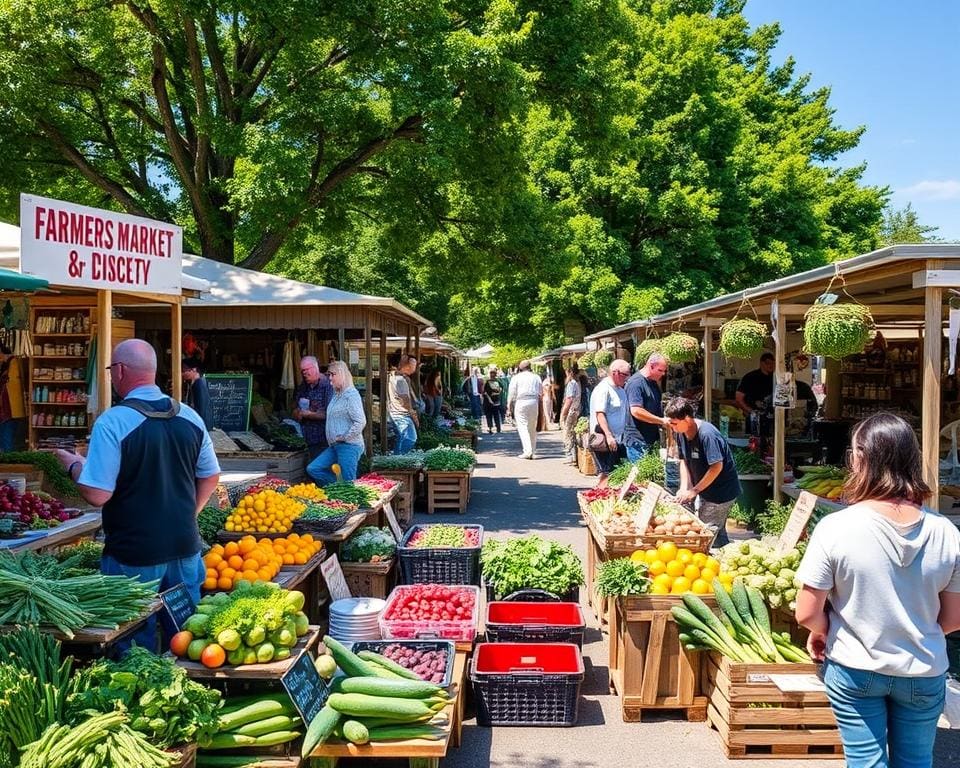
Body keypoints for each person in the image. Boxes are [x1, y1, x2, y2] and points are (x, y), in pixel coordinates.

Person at [795, 414, 960, 768]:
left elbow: (807, 612)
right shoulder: (946, 532)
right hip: (923, 670)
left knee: (866, 763)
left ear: (860, 458)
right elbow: (952, 619)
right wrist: (913, 630)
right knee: (916, 762)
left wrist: (823, 631)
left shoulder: (836, 527)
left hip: (856, 666)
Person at [54, 339, 220, 651]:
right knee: (188, 641)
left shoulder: (114, 421)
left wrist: (74, 465)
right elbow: (210, 475)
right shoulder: (189, 416)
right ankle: (187, 695)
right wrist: (189, 514)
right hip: (185, 547)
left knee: (134, 649)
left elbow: (97, 494)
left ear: (119, 371)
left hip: (133, 554)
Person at [664, 396, 741, 547]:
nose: (672, 428)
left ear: (686, 419)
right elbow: (683, 460)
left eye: (674, 424)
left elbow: (716, 466)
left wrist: (694, 490)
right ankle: (723, 554)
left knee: (705, 535)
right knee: (716, 534)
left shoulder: (707, 435)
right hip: (705, 489)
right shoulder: (681, 433)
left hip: (721, 492)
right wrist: (684, 488)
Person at [306, 361, 367, 484]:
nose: (330, 378)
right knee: (313, 469)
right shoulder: (337, 395)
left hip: (349, 446)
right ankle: (340, 484)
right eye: (329, 375)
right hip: (335, 445)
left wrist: (345, 436)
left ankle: (346, 491)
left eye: (333, 374)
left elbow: (361, 421)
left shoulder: (351, 395)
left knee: (348, 481)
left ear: (341, 374)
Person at [589, 359, 630, 487]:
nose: (627, 378)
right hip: (605, 439)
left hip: (618, 439)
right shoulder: (603, 389)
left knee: (615, 473)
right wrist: (608, 435)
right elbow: (600, 413)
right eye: (625, 375)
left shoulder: (620, 389)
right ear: (615, 373)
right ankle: (599, 498)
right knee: (606, 473)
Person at [623, 352, 670, 461]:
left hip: (650, 438)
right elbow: (636, 410)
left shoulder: (652, 382)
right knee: (639, 475)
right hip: (638, 441)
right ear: (651, 366)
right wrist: (661, 421)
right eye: (660, 370)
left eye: (664, 371)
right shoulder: (636, 383)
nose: (663, 374)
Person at [294, 356, 334, 460]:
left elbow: (329, 413)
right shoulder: (303, 386)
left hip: (323, 440)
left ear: (315, 368)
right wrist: (297, 413)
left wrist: (310, 414)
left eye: (307, 372)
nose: (304, 375)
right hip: (304, 439)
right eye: (303, 372)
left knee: (318, 470)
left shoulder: (328, 386)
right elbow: (295, 408)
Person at [506, 360, 542, 459]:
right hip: (534, 401)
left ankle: (527, 451)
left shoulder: (516, 378)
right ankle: (533, 451)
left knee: (522, 426)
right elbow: (540, 392)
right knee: (532, 427)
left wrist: (508, 406)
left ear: (520, 368)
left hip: (521, 401)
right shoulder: (536, 377)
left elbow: (511, 392)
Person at [388, 354, 419, 454]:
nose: (414, 368)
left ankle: (398, 459)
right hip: (401, 415)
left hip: (397, 414)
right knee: (409, 438)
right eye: (413, 365)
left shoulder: (395, 376)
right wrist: (413, 414)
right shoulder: (400, 380)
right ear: (407, 365)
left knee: (405, 438)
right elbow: (404, 399)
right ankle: (397, 460)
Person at [0, 344, 25, 452]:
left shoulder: (13, 362)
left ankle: (9, 461)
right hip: (8, 409)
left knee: (7, 437)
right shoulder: (8, 363)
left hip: (8, 409)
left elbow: (11, 386)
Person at [181, 356, 214, 430]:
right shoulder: (194, 383)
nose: (182, 373)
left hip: (202, 426)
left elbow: (202, 407)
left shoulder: (199, 384)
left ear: (194, 369)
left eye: (184, 370)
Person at [559, 365, 582, 465]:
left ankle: (570, 456)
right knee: (573, 433)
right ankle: (573, 456)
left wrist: (563, 413)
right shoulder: (578, 383)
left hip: (571, 411)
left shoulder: (571, 384)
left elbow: (569, 399)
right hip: (576, 409)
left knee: (567, 432)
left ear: (570, 373)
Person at [482, 368, 503, 434]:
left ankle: (490, 428)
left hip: (488, 401)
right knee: (496, 414)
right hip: (496, 400)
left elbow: (484, 392)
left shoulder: (487, 381)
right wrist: (497, 393)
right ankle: (498, 428)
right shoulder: (498, 381)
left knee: (489, 415)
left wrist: (489, 399)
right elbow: (501, 389)